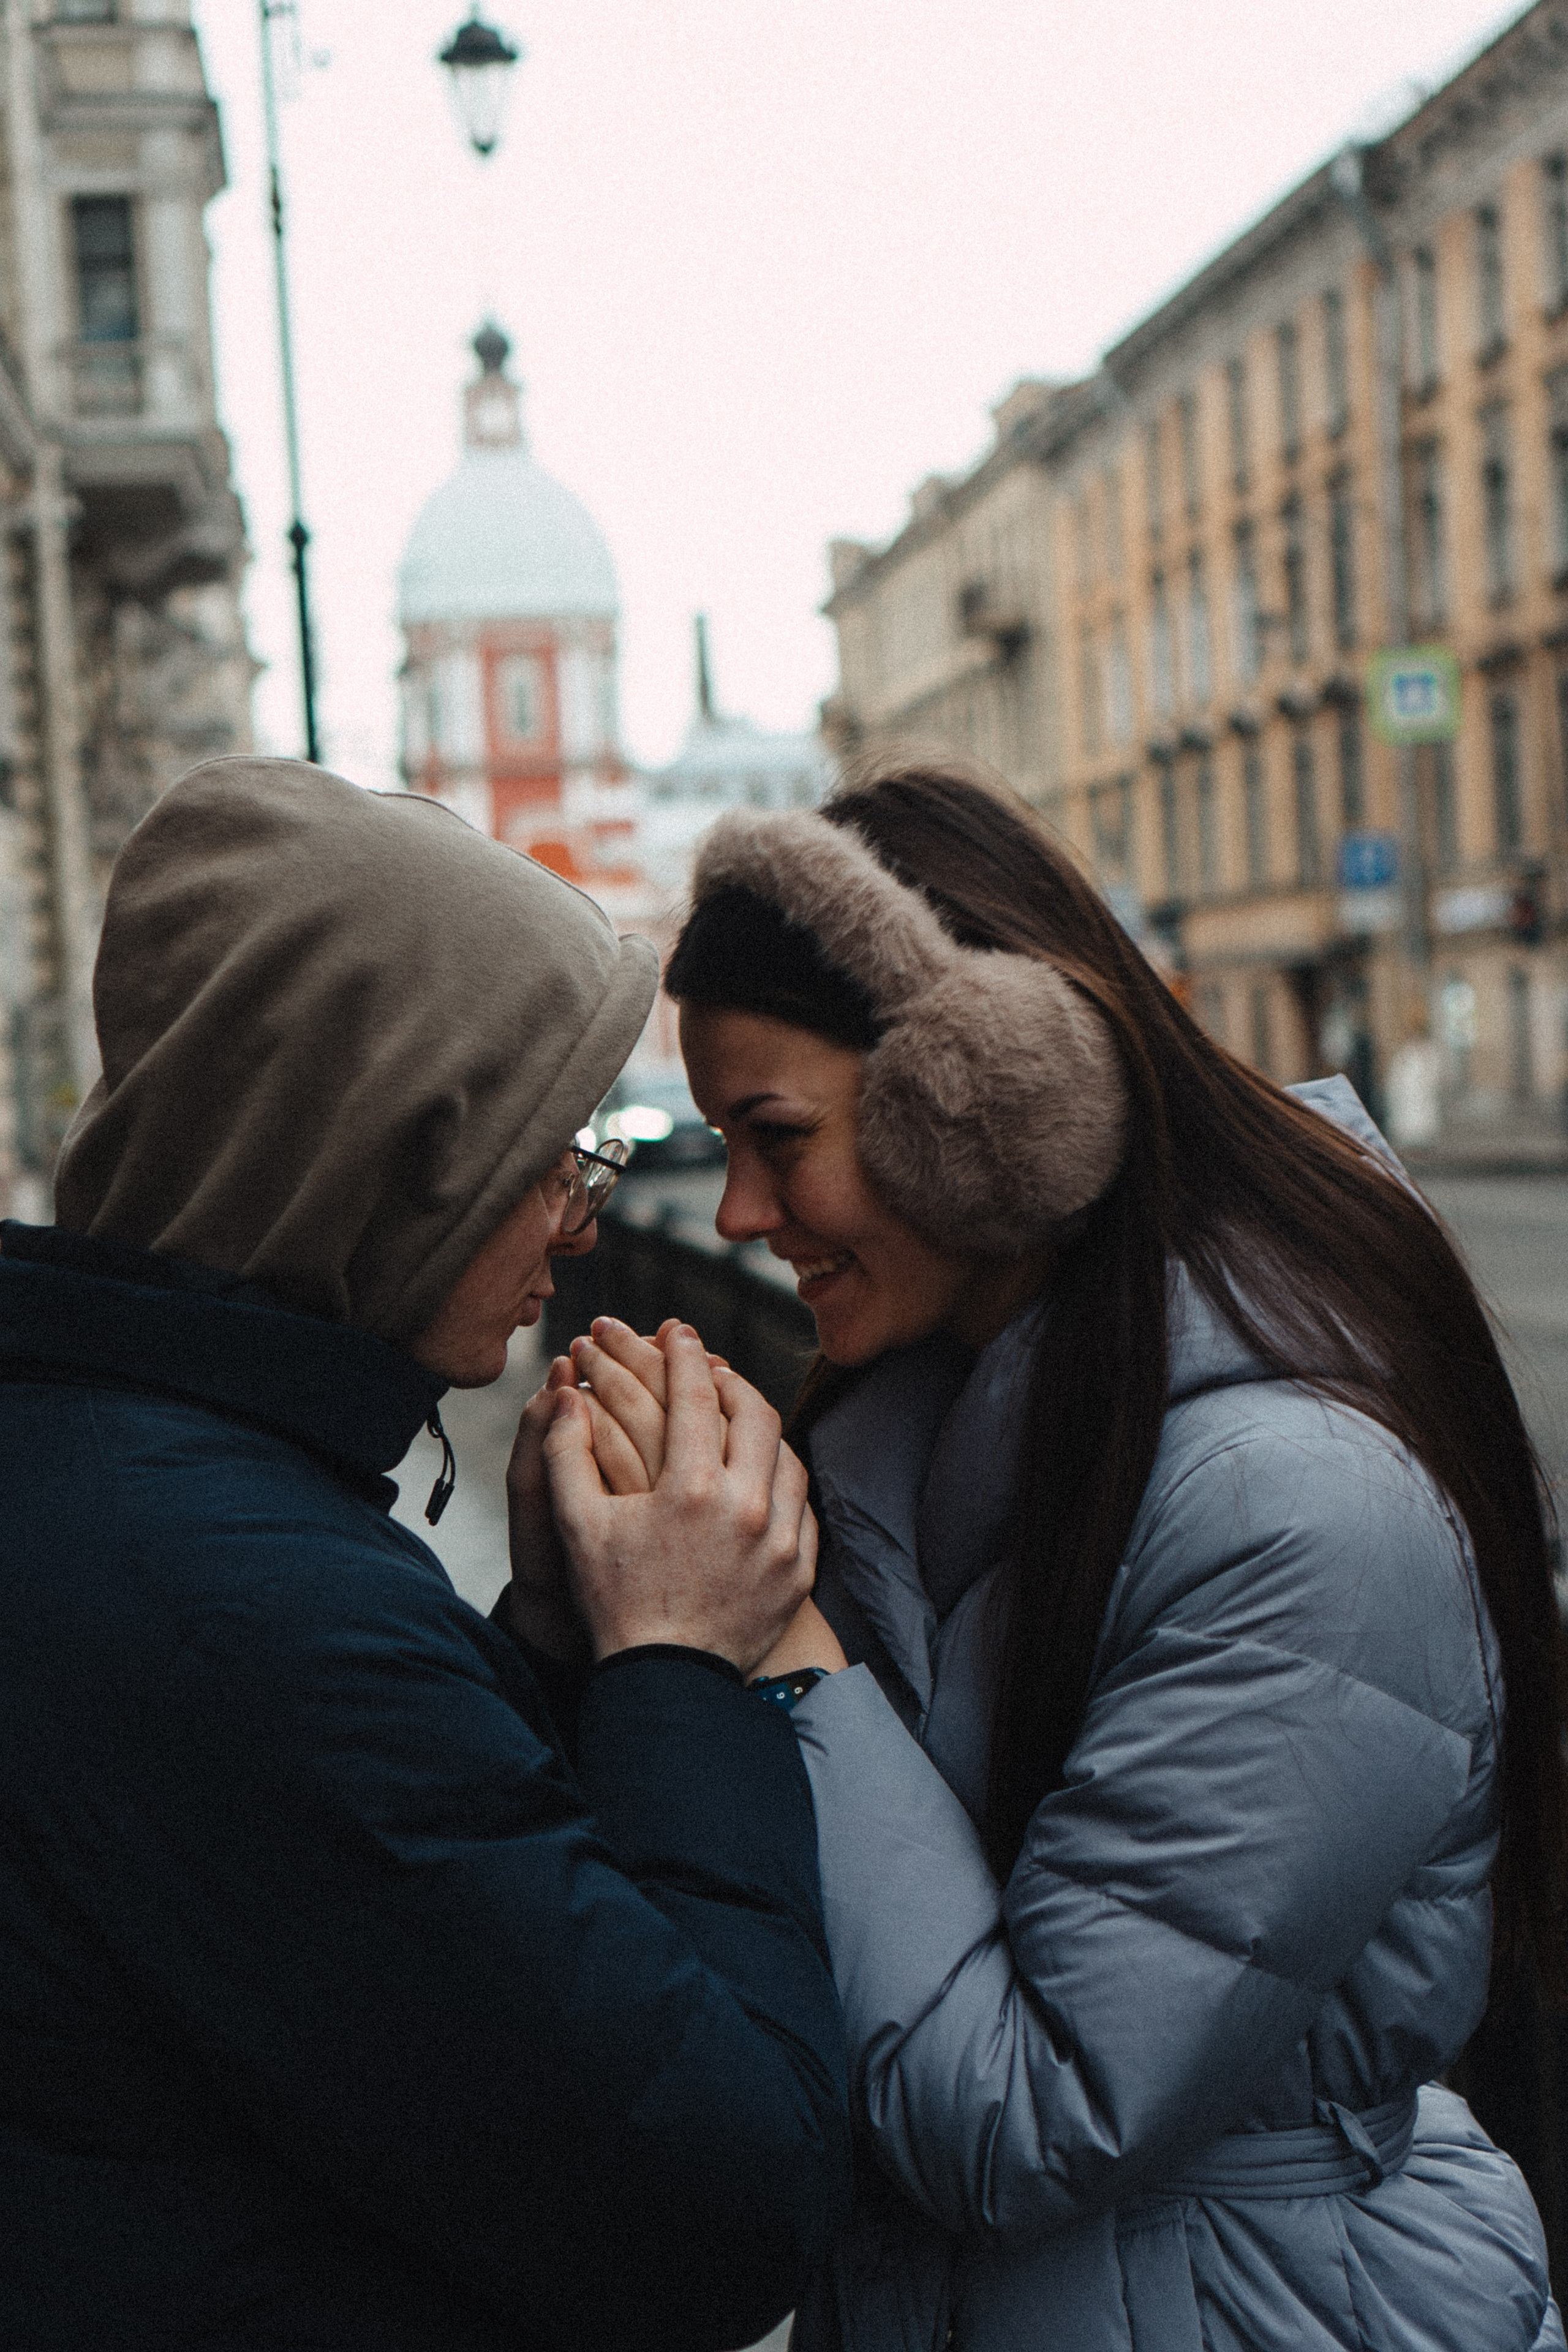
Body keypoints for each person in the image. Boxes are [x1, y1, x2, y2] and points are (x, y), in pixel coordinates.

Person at [568, 758, 1568, 2351]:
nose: (741, 1214)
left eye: (776, 1137)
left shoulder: (1303, 1517)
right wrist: (606, 1597)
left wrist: (776, 1650)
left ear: (985, 1101)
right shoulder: (929, 1417)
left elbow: (1031, 2120)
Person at [0, 755, 848, 2352]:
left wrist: (541, 1649)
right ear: (404, 1158)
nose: (583, 1227)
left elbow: (377, 1963)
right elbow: (724, 2207)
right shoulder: (248, 1612)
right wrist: (681, 1661)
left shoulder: (124, 1471)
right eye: (555, 1157)